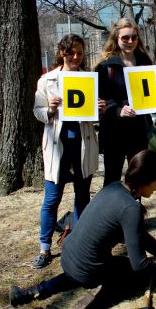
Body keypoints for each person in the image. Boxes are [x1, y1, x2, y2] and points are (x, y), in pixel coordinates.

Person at [9, 150, 156, 308]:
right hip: (87, 269)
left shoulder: (115, 188)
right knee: (132, 274)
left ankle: (29, 293)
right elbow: (140, 264)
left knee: (90, 269)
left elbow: (142, 238)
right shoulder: (131, 209)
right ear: (145, 179)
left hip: (70, 257)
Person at [32, 34, 105, 269]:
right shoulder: (47, 80)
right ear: (62, 52)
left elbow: (93, 116)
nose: (75, 57)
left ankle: (80, 243)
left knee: (83, 197)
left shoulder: (89, 79)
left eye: (80, 53)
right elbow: (37, 111)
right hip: (57, 147)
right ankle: (45, 248)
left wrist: (100, 109)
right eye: (70, 52)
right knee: (52, 199)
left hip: (82, 145)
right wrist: (50, 110)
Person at [96, 18, 153, 186]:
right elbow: (101, 97)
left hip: (139, 129)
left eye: (133, 37)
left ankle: (135, 211)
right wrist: (118, 110)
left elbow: (148, 91)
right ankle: (112, 212)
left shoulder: (144, 62)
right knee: (112, 179)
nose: (130, 41)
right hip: (114, 130)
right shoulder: (105, 66)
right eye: (125, 38)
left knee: (137, 177)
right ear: (116, 38)